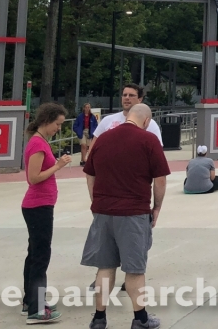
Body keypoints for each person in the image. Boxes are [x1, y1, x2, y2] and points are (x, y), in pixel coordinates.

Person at [82, 103, 170, 329]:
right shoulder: (148, 140)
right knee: (134, 269)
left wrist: (96, 200)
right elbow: (160, 179)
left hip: (103, 211)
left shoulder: (102, 139)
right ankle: (140, 319)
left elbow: (89, 174)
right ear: (146, 121)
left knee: (105, 267)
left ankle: (99, 318)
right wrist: (157, 207)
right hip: (133, 213)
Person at [22, 103, 73, 324]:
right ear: (47, 120)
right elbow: (33, 178)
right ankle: (36, 308)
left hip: (41, 205)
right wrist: (58, 166)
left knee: (34, 254)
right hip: (38, 206)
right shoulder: (38, 144)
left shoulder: (40, 141)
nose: (58, 129)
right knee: (40, 257)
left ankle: (31, 300)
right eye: (57, 124)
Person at [92, 83, 163, 145]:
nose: (127, 98)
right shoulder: (107, 120)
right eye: (124, 95)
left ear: (140, 99)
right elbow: (93, 147)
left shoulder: (150, 124)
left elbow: (157, 151)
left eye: (131, 95)